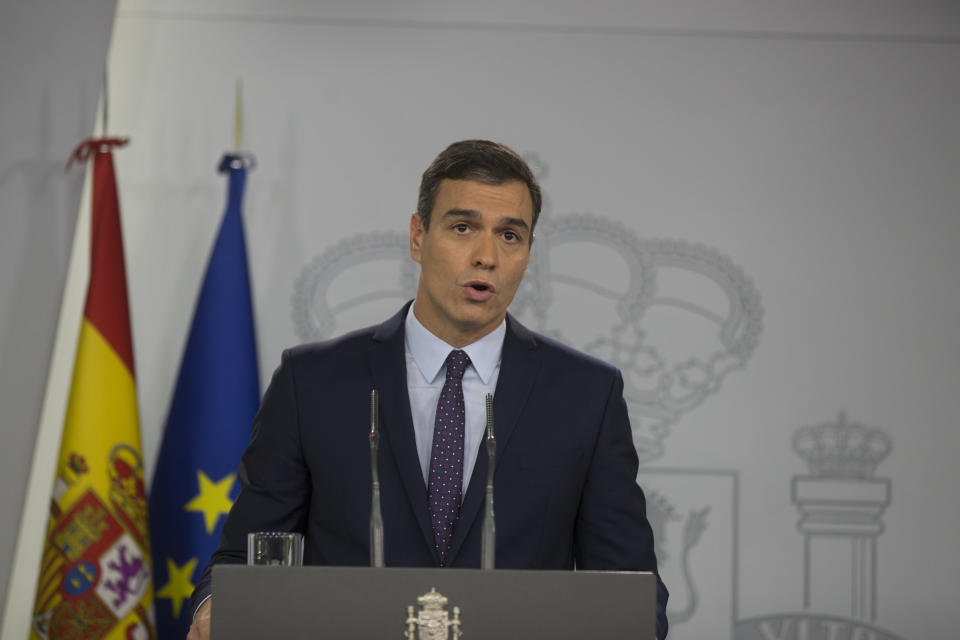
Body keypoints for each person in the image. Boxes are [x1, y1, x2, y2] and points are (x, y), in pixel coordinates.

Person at [187, 139, 668, 639]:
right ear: (418, 236)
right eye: (463, 228)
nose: (486, 256)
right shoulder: (313, 383)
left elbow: (630, 587)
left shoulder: (585, 396)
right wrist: (216, 607)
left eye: (510, 236)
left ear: (527, 254)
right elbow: (248, 556)